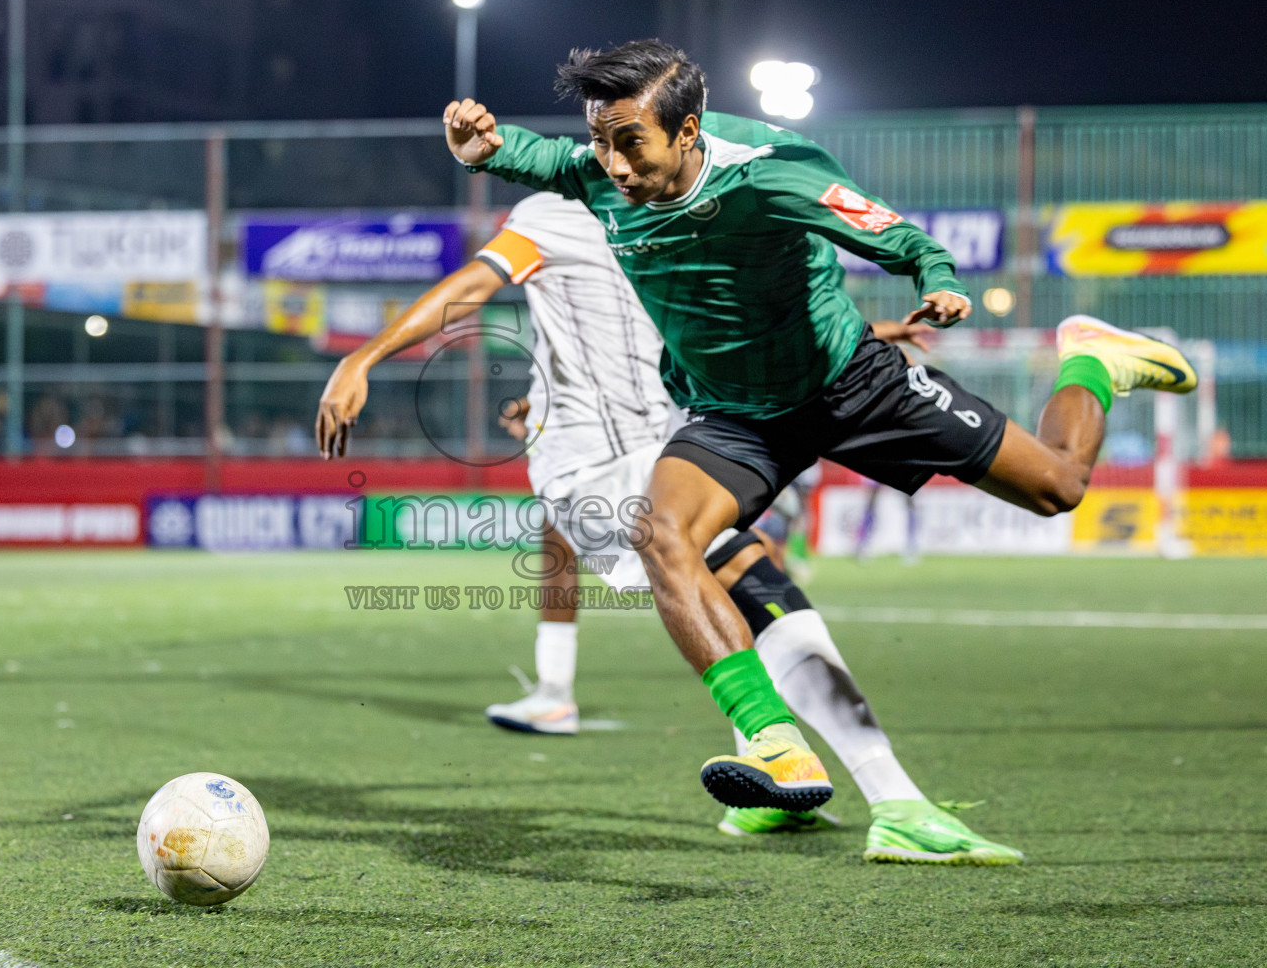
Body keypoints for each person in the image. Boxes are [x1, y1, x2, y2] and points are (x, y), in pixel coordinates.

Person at [442, 39, 1196, 821]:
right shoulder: (600, 172)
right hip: (735, 414)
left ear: (688, 130)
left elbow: (896, 234)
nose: (613, 165)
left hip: (849, 386)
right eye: (600, 141)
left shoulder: (770, 171)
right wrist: (482, 150)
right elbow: (542, 158)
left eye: (630, 142)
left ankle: (1093, 361)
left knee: (1058, 487)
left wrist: (938, 280)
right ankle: (775, 742)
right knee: (662, 534)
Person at [317, 191, 1022, 863]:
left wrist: (857, 336)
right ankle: (888, 799)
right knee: (748, 573)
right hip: (594, 465)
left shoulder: (676, 216)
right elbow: (473, 286)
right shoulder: (556, 212)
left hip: (663, 441)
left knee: (753, 578)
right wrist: (363, 356)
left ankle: (787, 786)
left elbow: (708, 324)